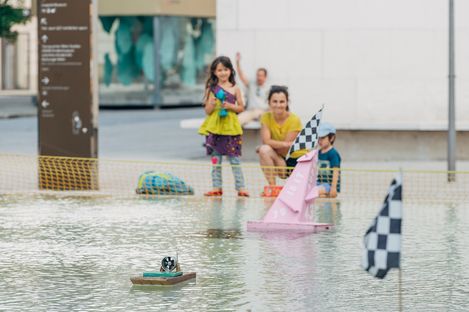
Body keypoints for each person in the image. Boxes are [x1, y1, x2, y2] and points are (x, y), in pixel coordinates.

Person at [198, 56, 249, 197]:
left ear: (230, 71)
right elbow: (207, 111)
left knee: (235, 160)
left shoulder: (235, 88)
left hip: (231, 129)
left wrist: (231, 106)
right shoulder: (211, 89)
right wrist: (212, 104)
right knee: (216, 160)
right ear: (214, 72)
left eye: (225, 69)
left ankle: (241, 187)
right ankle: (216, 187)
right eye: (219, 70)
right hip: (215, 129)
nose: (223, 73)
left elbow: (241, 108)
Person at [257, 86, 307, 196]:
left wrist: (273, 144)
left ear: (287, 103)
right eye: (274, 101)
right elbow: (267, 141)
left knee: (264, 149)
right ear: (269, 102)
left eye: (282, 101)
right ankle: (273, 188)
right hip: (281, 160)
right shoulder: (265, 117)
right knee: (263, 150)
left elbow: (285, 150)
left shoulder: (294, 120)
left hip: (296, 163)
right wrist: (284, 144)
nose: (278, 105)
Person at [235, 52, 270, 125]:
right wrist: (237, 62)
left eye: (261, 75)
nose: (259, 77)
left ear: (265, 77)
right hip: (251, 111)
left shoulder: (268, 89)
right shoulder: (251, 84)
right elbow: (241, 75)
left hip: (263, 112)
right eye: (258, 75)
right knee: (237, 121)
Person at [317, 122, 341, 198]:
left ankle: (326, 194)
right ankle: (324, 195)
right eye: (319, 138)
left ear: (332, 138)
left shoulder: (333, 153)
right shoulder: (318, 152)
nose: (320, 141)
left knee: (313, 192)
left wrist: (333, 188)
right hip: (319, 182)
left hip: (329, 184)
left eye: (323, 138)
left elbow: (336, 171)